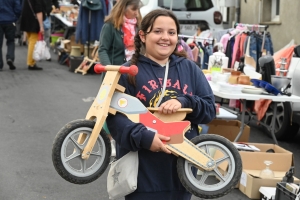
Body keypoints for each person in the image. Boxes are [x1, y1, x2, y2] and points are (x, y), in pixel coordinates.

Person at [106, 9, 216, 200]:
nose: (165, 38)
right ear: (143, 35)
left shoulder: (189, 68)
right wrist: (145, 138)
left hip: (181, 176)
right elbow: (115, 120)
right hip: (141, 177)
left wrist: (184, 101)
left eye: (171, 33)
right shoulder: (127, 72)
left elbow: (208, 110)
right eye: (158, 31)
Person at [98, 0, 141, 156]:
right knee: (111, 109)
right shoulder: (110, 25)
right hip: (115, 74)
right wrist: (110, 69)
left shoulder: (140, 26)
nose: (136, 12)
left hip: (134, 74)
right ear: (124, 8)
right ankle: (109, 141)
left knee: (131, 109)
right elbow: (102, 50)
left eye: (138, 9)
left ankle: (126, 141)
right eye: (134, 9)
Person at [20, 0, 46, 70]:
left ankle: (31, 62)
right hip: (33, 22)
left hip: (26, 20)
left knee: (30, 41)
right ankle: (31, 63)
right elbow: (39, 11)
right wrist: (41, 26)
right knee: (33, 42)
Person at [0, 0, 22, 71]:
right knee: (10, 41)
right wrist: (15, 18)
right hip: (10, 21)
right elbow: (18, 8)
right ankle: (10, 58)